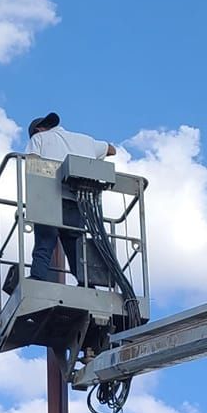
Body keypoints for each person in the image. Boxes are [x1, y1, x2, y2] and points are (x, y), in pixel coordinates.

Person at [25, 112, 118, 288]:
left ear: (38, 130)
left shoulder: (39, 139)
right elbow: (111, 149)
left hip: (49, 196)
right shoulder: (85, 140)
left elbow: (32, 165)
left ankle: (37, 278)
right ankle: (86, 283)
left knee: (45, 240)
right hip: (78, 199)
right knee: (75, 243)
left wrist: (31, 203)